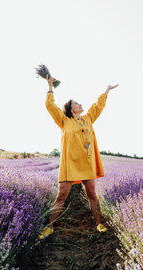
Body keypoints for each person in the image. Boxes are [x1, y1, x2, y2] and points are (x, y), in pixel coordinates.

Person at [38, 74, 119, 240]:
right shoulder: (63, 120)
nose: (80, 104)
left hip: (87, 163)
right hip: (70, 164)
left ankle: (99, 224)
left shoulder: (88, 119)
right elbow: (50, 105)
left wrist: (106, 91)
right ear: (70, 108)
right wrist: (50, 87)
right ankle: (49, 227)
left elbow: (98, 106)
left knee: (92, 195)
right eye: (76, 103)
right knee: (61, 196)